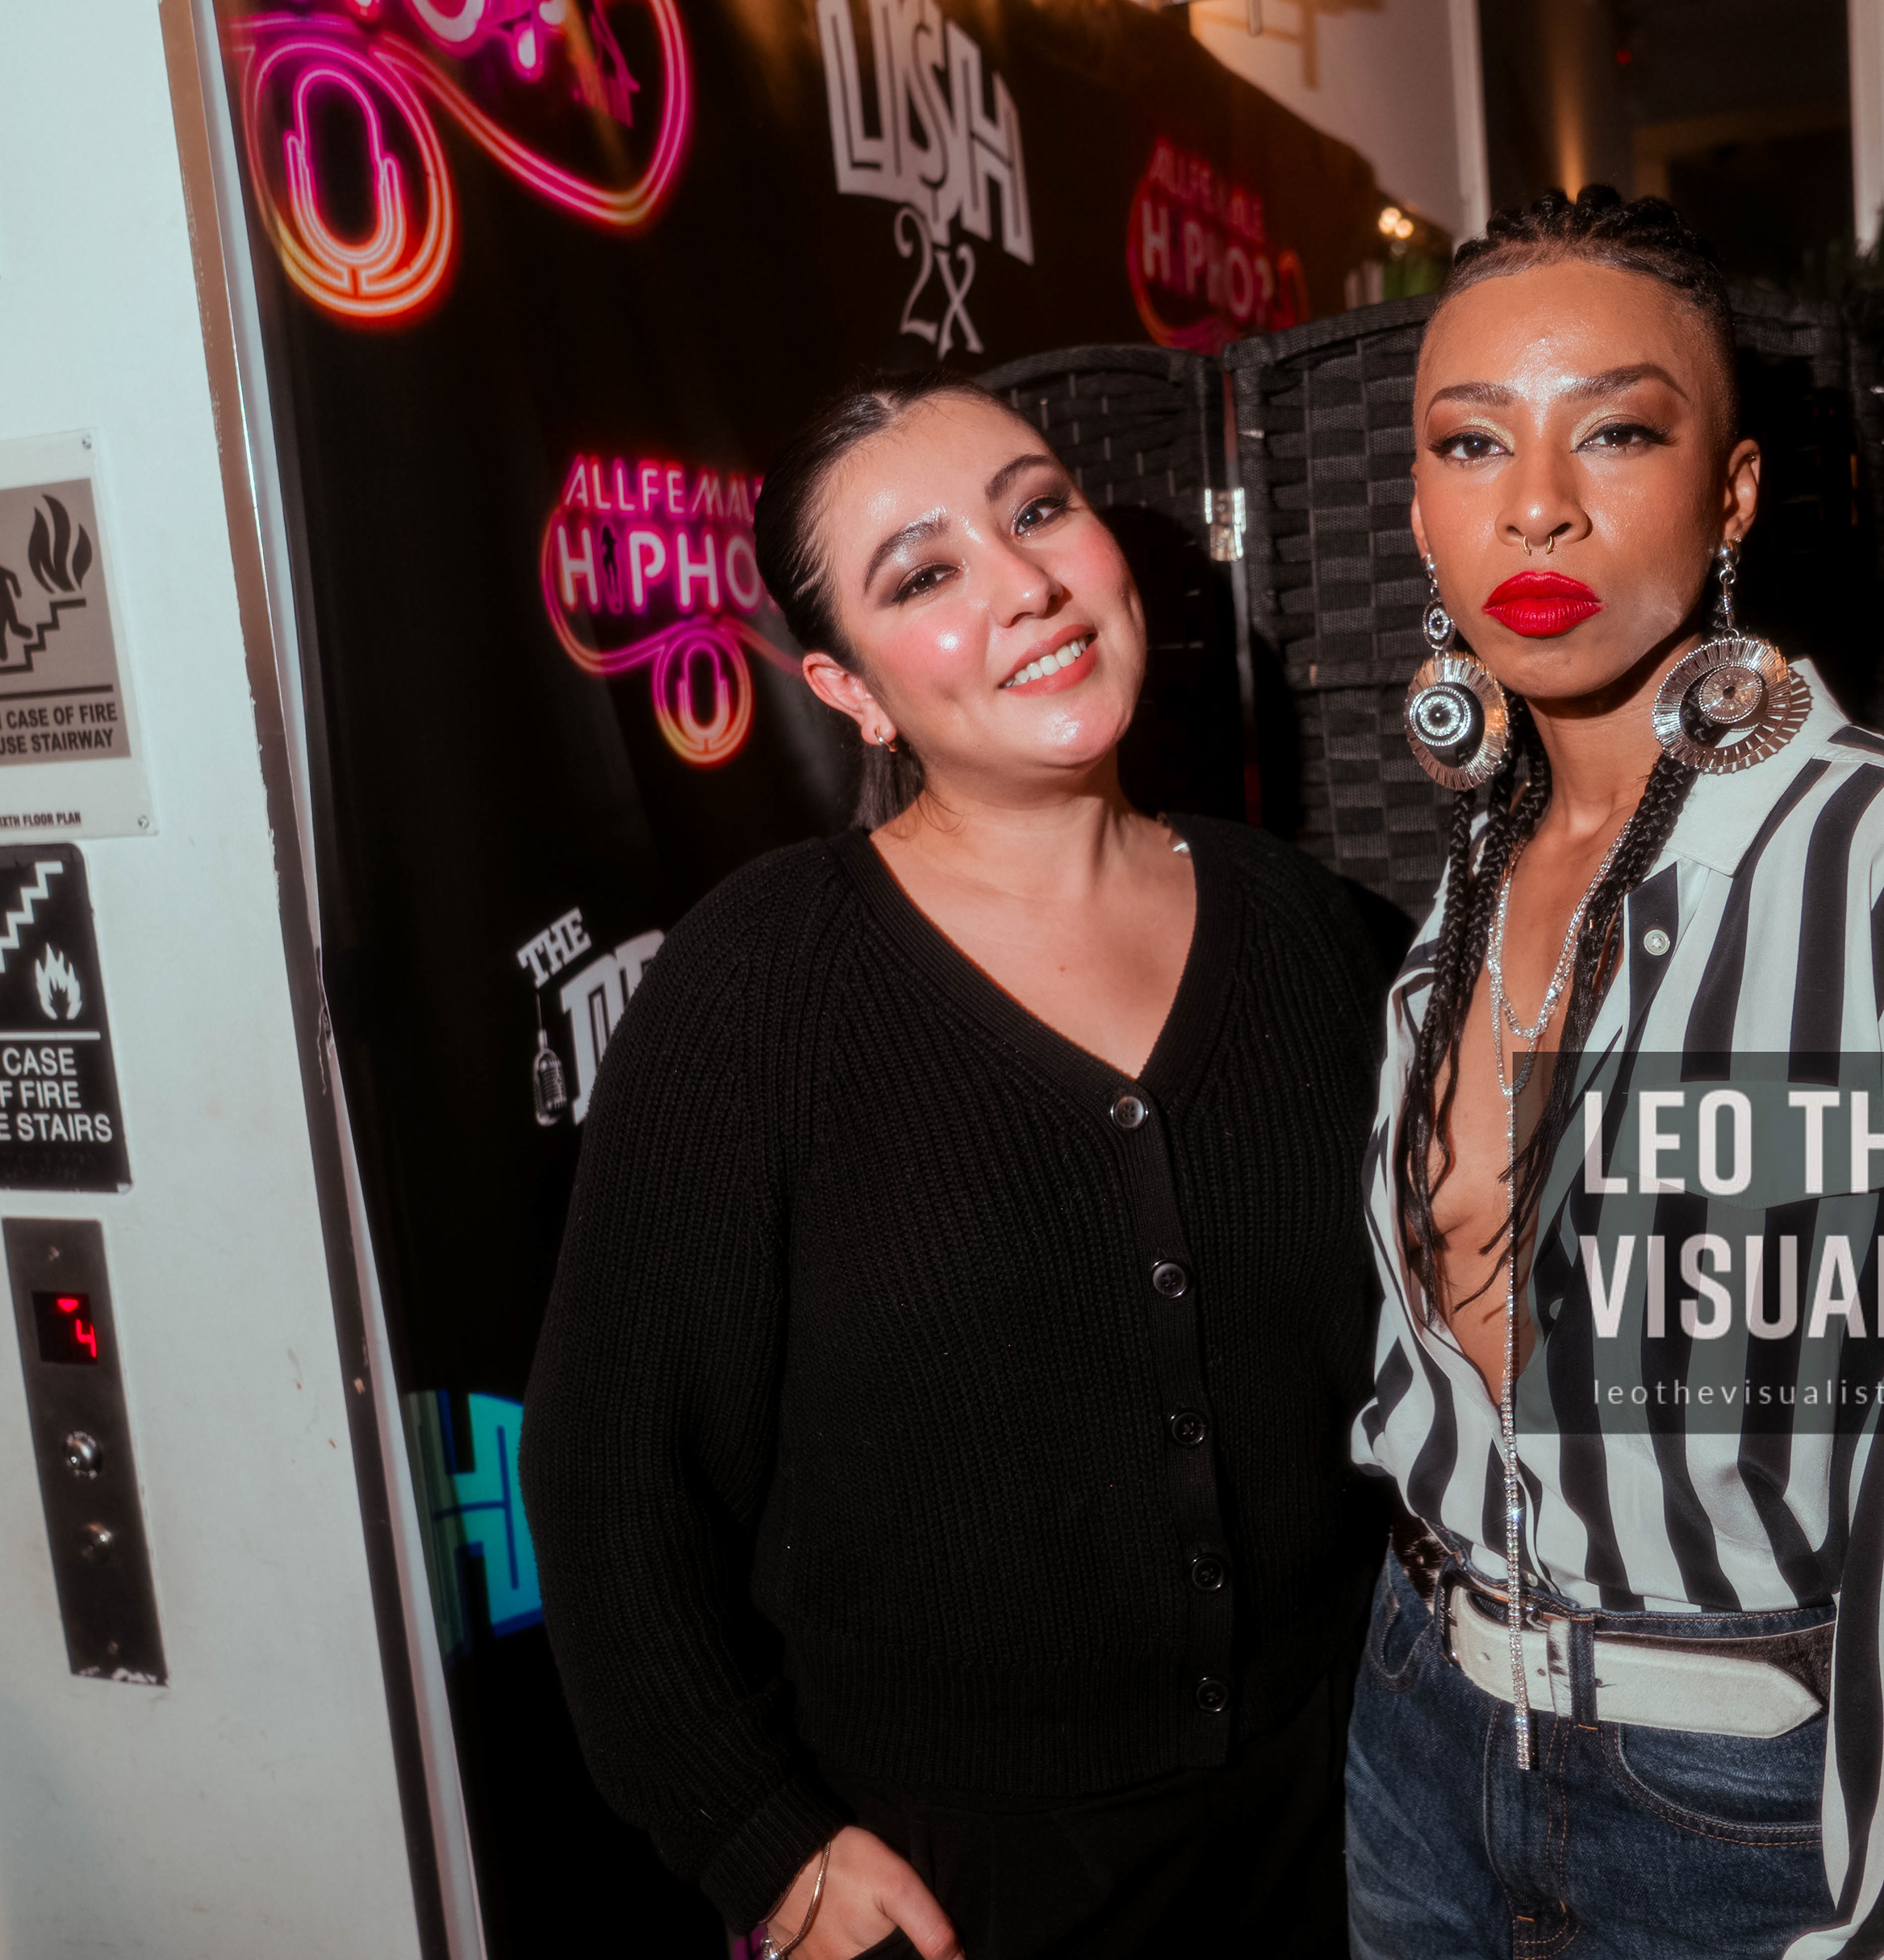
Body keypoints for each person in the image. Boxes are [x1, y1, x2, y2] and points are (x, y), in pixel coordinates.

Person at [1343, 189, 1884, 1958]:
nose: (1536, 501)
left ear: (1735, 494)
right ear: (1417, 507)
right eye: (1472, 441)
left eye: (1618, 431)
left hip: (1733, 1810)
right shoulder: (1472, 877)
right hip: (1419, 1737)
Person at [521, 371, 1391, 1960]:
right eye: (924, 574)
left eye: (1039, 509)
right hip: (964, 1892)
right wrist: (762, 1843)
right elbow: (609, 1476)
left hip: (1354, 1831)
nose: (1026, 586)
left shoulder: (1309, 929)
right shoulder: (761, 984)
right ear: (848, 689)